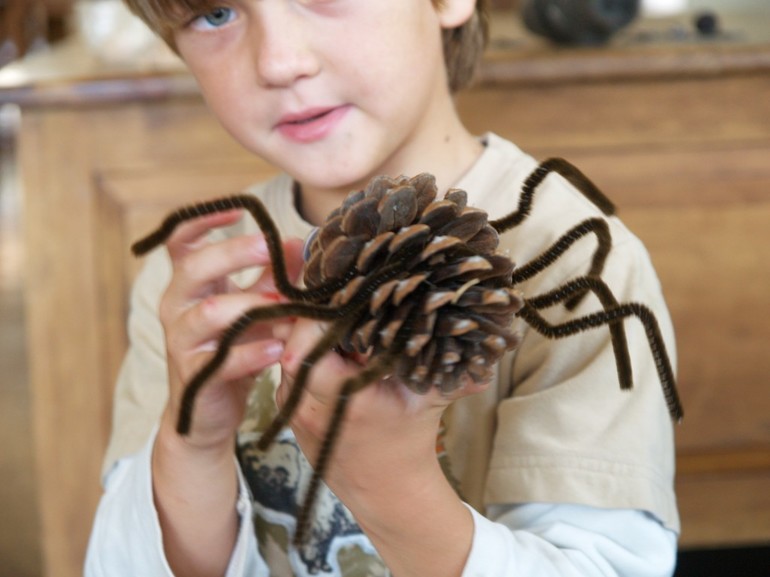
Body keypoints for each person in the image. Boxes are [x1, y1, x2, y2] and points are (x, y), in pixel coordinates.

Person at [85, 1, 680, 576]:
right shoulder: (194, 280)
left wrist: (388, 486)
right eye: (215, 14)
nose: (278, 62)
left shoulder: (578, 268)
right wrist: (193, 448)